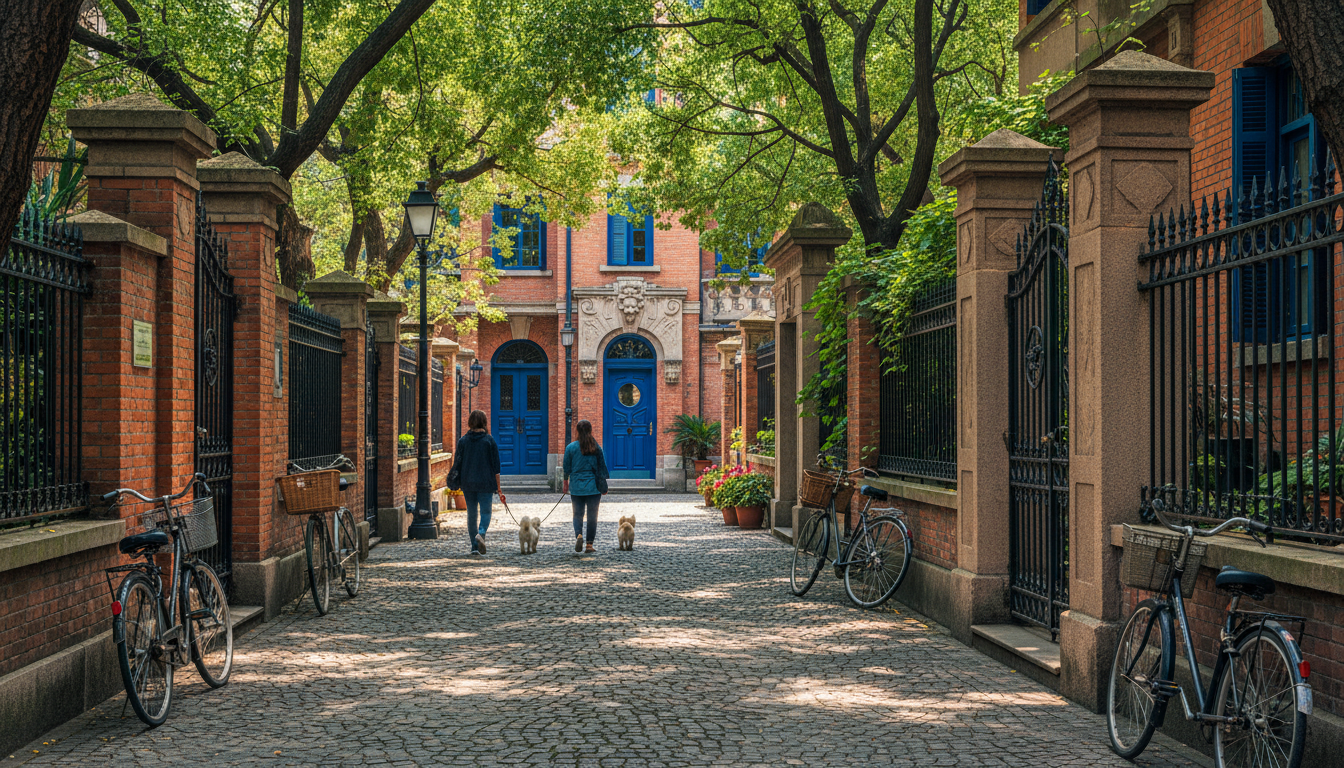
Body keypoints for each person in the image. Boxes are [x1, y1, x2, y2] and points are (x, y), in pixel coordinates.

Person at [452, 409, 505, 555]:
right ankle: (481, 534)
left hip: (468, 483)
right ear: (484, 422)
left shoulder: (462, 441)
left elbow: (457, 463)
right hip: (486, 483)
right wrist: (499, 488)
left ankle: (474, 546)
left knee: (472, 513)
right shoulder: (489, 441)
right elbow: (496, 467)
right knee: (486, 511)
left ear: (470, 422)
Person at [563, 419, 609, 554]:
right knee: (592, 516)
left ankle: (578, 535)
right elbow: (602, 467)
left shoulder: (570, 448)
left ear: (577, 431)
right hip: (593, 487)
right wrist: (604, 486)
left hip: (576, 486)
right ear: (590, 431)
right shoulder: (596, 447)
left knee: (577, 514)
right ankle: (589, 544)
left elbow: (566, 468)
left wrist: (565, 483)